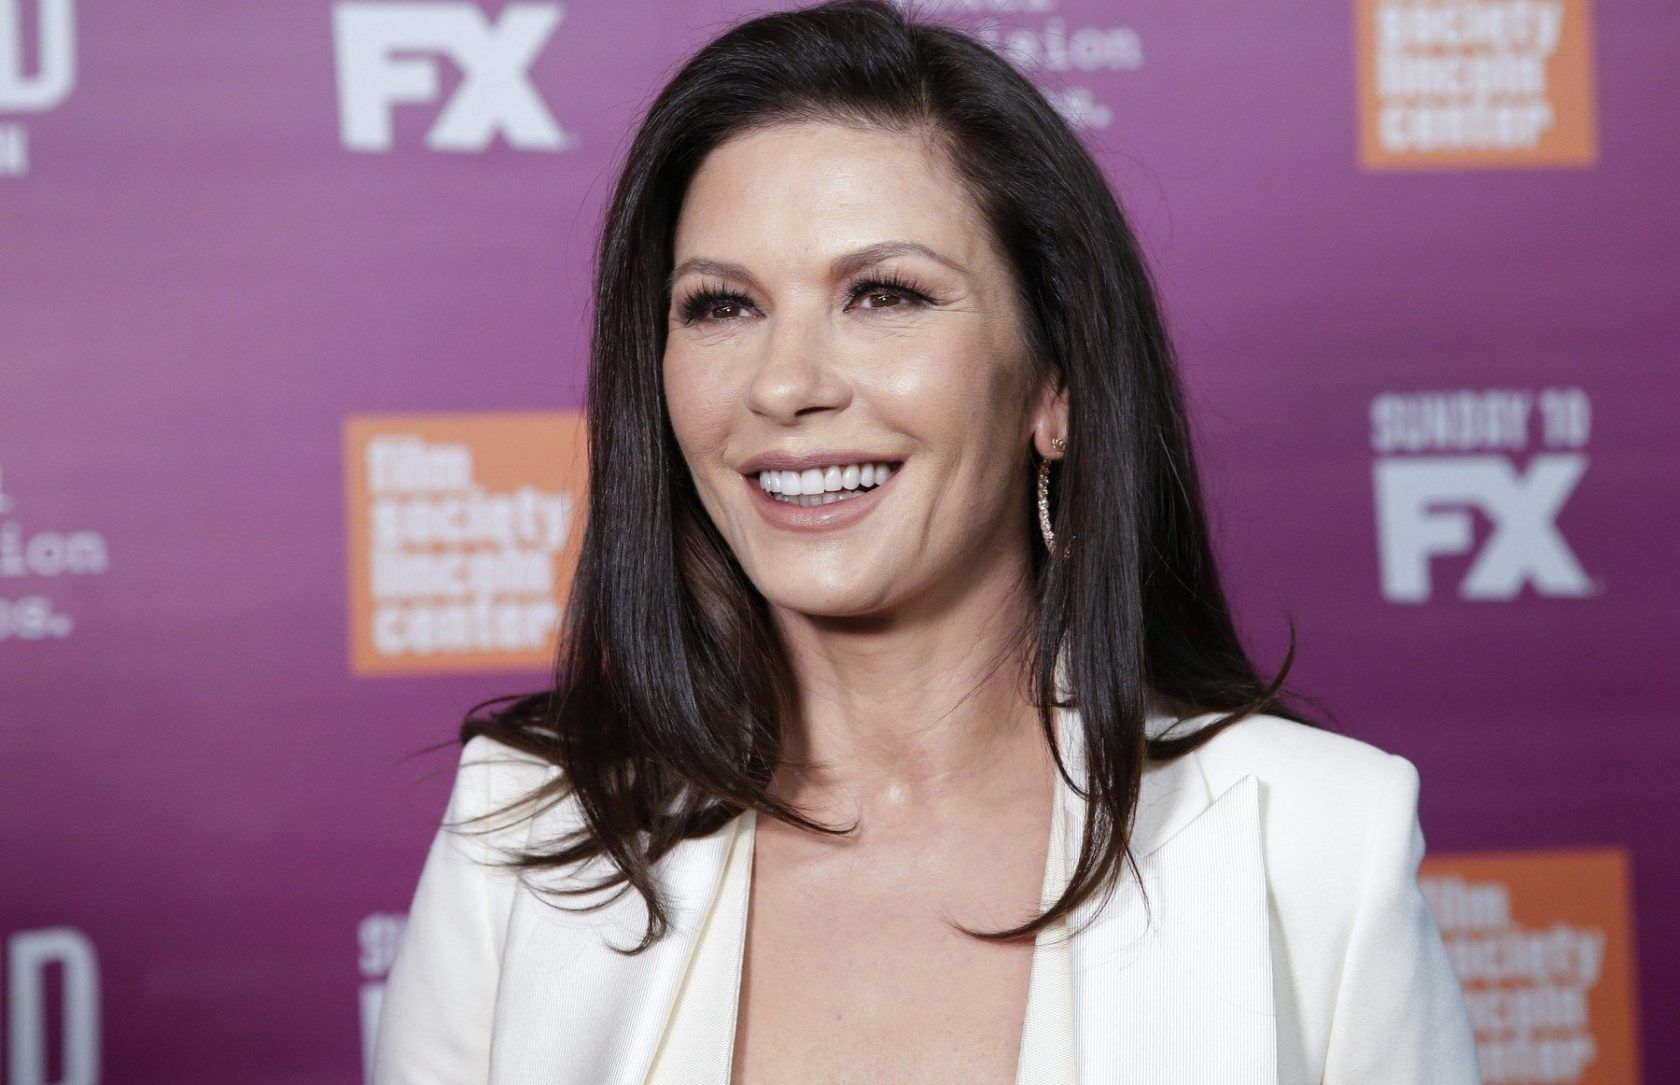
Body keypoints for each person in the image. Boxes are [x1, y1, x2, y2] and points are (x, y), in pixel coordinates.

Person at [373, 1, 1482, 1081]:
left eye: (883, 294)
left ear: (1056, 386)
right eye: (721, 306)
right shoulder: (519, 830)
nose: (785, 383)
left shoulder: (1319, 841)